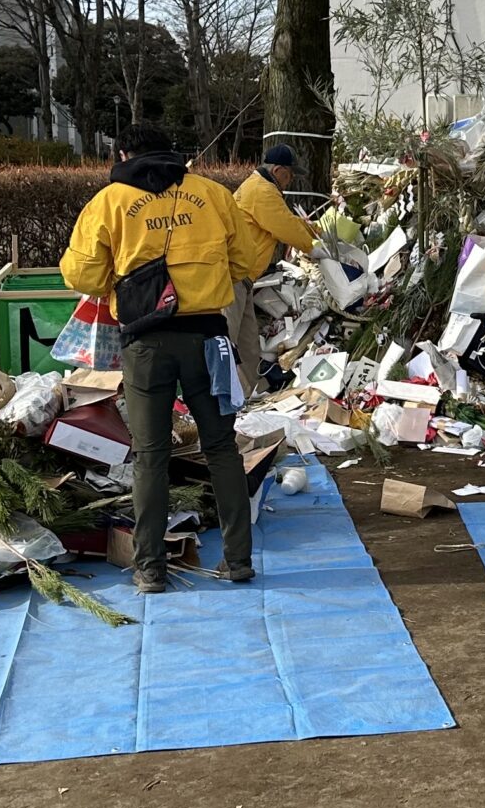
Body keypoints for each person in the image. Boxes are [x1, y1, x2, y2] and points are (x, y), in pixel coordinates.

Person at [60, 123, 258, 595]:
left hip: (145, 342)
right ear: (173, 152)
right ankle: (239, 561)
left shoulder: (108, 201)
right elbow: (246, 263)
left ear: (124, 152)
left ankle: (150, 569)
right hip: (209, 337)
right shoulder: (212, 194)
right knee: (221, 447)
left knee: (151, 455)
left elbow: (81, 274)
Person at [229, 141, 319, 390]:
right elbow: (284, 226)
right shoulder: (262, 191)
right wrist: (314, 247)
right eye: (289, 175)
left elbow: (289, 220)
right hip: (232, 276)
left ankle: (255, 389)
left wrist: (316, 231)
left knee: (247, 340)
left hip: (244, 278)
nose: (289, 181)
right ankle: (224, 394)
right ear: (279, 171)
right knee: (227, 339)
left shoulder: (261, 189)